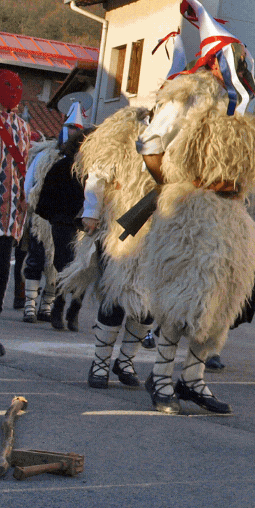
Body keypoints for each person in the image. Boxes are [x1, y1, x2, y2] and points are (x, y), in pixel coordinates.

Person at [137, 0, 255, 415]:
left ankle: (193, 380)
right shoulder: (188, 96)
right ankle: (161, 377)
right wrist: (175, 185)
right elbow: (151, 143)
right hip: (190, 210)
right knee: (182, 295)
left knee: (221, 298)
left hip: (230, 215)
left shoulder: (249, 108)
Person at [58, 102, 157, 389]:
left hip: (156, 230)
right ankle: (99, 364)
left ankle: (125, 361)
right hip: (118, 225)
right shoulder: (121, 140)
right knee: (114, 298)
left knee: (147, 305)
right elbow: (97, 176)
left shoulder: (174, 141)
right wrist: (91, 211)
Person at [22, 103, 89, 330]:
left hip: (82, 225)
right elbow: (34, 185)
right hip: (54, 221)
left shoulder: (91, 168)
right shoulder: (50, 159)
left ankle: (63, 307)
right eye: (70, 127)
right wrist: (43, 212)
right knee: (42, 259)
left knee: (76, 267)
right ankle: (35, 305)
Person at [0, 69, 33, 356]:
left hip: (7, 214)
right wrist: (24, 198)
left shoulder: (22, 128)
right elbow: (25, 171)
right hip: (9, 216)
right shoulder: (24, 128)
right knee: (0, 275)